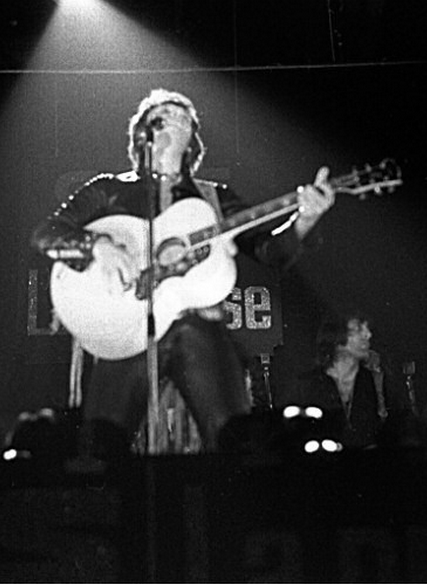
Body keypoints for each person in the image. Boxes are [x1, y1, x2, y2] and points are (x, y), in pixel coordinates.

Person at [31, 88, 335, 458]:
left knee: (238, 444)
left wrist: (306, 219)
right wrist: (97, 246)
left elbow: (271, 251)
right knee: (100, 451)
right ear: (142, 132)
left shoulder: (213, 198)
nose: (172, 119)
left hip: (197, 329)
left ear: (193, 137)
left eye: (181, 117)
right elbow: (47, 234)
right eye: (160, 116)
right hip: (128, 326)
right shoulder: (108, 190)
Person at [284, 312, 388, 449]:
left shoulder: (372, 379)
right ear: (337, 337)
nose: (368, 334)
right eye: (358, 329)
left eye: (367, 329)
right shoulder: (307, 384)